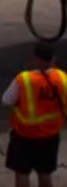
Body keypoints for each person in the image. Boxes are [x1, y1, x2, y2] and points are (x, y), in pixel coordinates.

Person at [5, 42, 67, 187]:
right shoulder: (62, 78)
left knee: (22, 174)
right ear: (53, 59)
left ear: (35, 58)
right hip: (50, 136)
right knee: (45, 175)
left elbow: (7, 100)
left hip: (24, 135)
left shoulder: (24, 79)